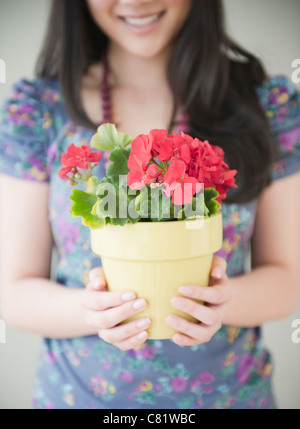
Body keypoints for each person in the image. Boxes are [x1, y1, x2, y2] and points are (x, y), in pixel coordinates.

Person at [0, 0, 300, 410]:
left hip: (232, 397)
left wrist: (223, 302)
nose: (136, 1)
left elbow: (288, 279)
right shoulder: (38, 109)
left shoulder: (265, 103)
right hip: (79, 398)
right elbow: (13, 291)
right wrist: (91, 311)